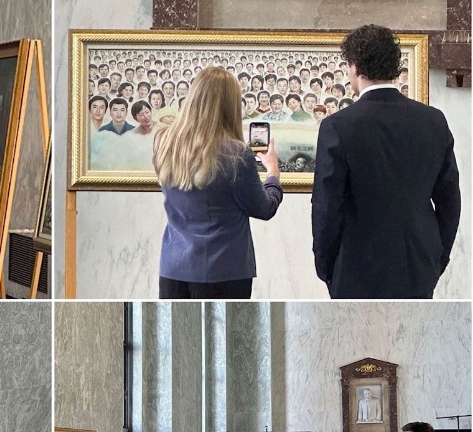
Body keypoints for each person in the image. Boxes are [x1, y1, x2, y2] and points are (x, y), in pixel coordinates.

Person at [312, 25, 460, 298]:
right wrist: (438, 256)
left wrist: (326, 266)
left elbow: (326, 206)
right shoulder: (433, 121)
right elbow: (450, 200)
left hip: (354, 266)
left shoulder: (338, 126)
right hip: (417, 263)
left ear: (354, 66)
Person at [154, 67, 282, 299]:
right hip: (224, 270)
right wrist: (273, 173)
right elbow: (264, 208)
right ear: (231, 106)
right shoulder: (236, 153)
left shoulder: (165, 143)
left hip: (173, 267)